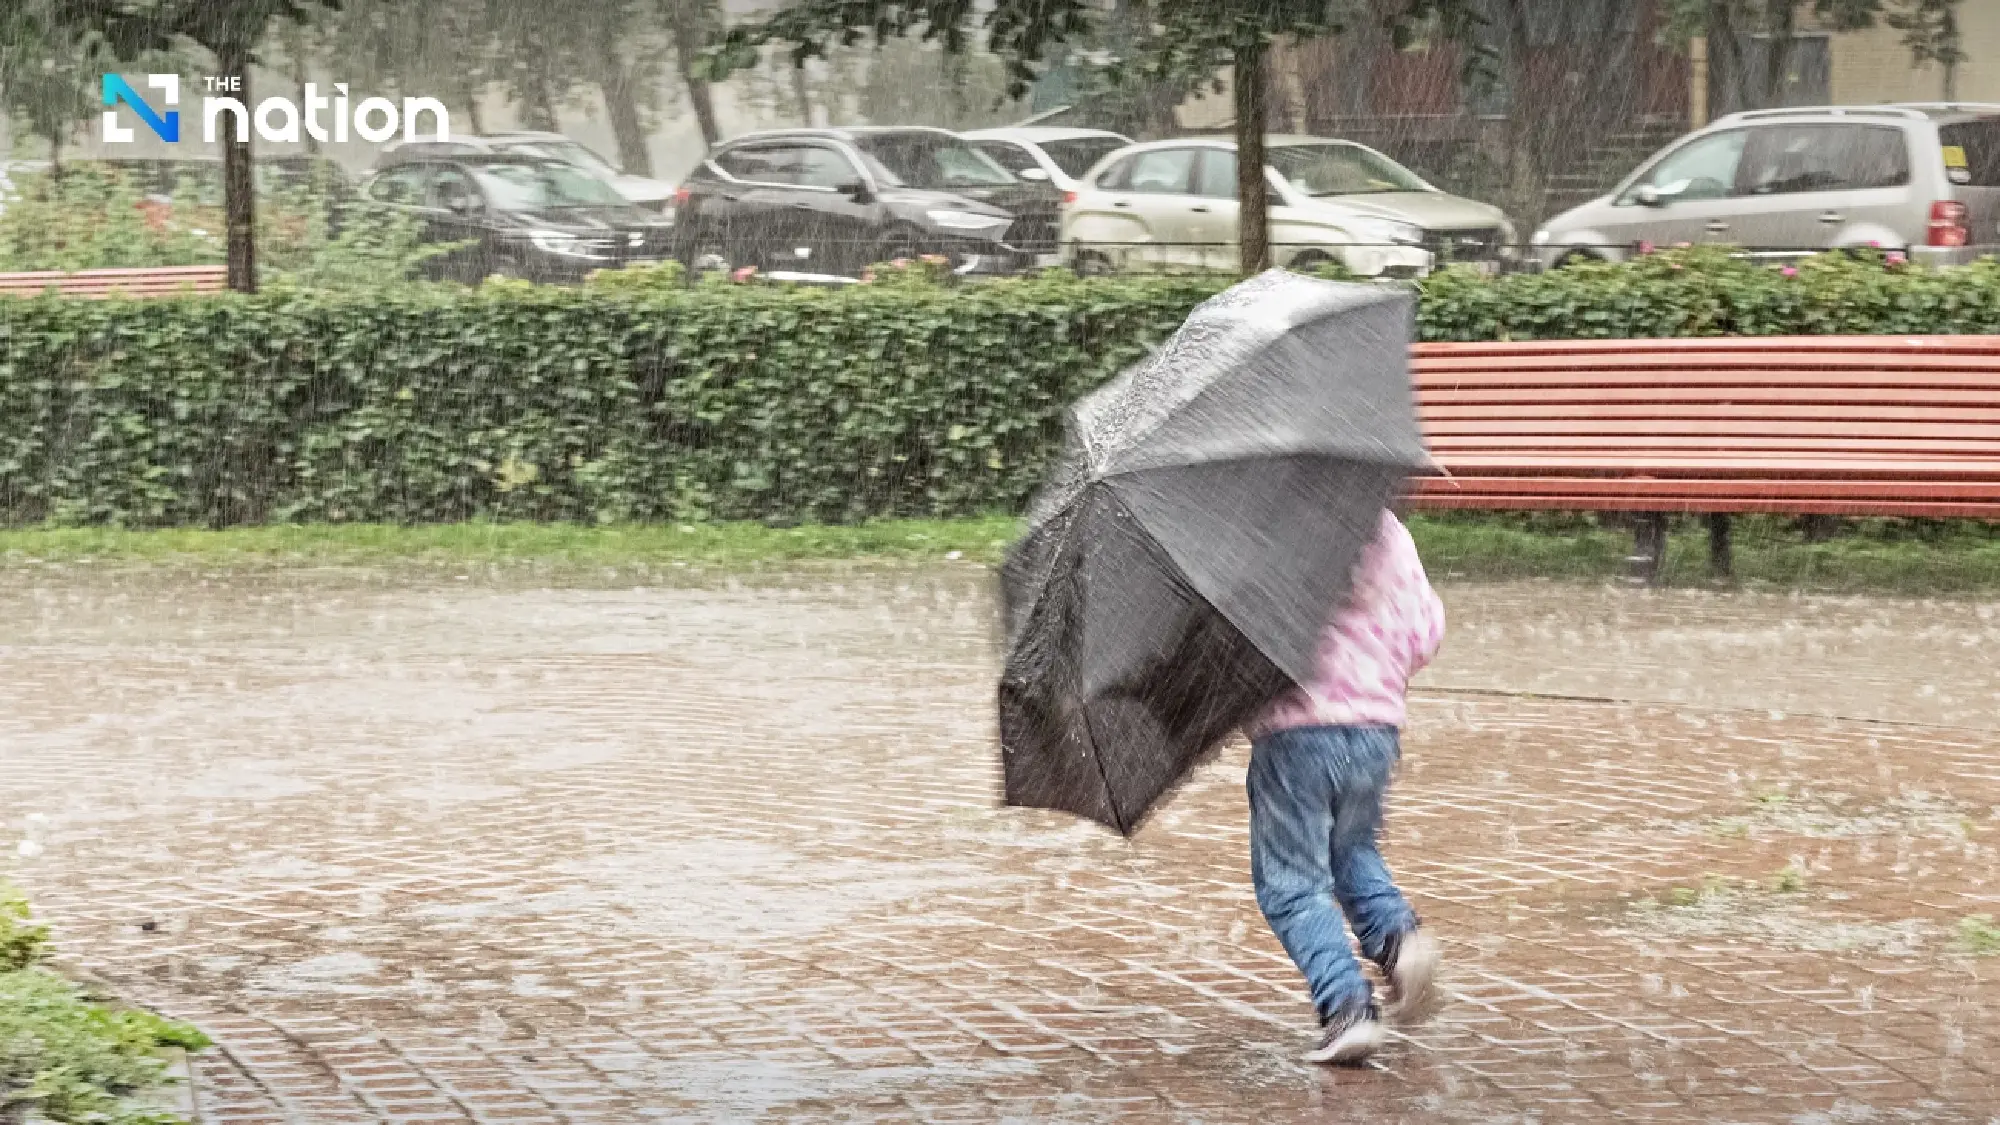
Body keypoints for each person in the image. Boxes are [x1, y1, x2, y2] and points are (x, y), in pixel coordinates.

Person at [1244, 507, 1445, 1064]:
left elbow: (1239, 643)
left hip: (1295, 734)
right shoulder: (1385, 528)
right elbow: (1426, 634)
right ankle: (1398, 941)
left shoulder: (1260, 533)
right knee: (1351, 850)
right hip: (1376, 730)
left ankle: (1346, 1005)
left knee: (1290, 885)